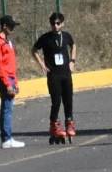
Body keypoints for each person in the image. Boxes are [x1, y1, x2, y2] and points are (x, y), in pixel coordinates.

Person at [32, 11, 79, 144]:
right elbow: (34, 50)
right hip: (53, 75)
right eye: (53, 23)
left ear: (62, 24)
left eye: (58, 23)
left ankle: (69, 122)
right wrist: (41, 64)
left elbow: (73, 45)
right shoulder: (45, 38)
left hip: (66, 73)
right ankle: (54, 124)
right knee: (56, 101)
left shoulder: (66, 36)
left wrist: (72, 61)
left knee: (68, 99)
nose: (55, 26)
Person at [0, 16, 24, 149]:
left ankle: (8, 137)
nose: (13, 28)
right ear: (4, 26)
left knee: (8, 107)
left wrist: (14, 81)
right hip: (4, 78)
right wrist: (7, 83)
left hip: (10, 77)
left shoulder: (7, 41)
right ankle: (6, 138)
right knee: (7, 108)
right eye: (11, 26)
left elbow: (10, 63)